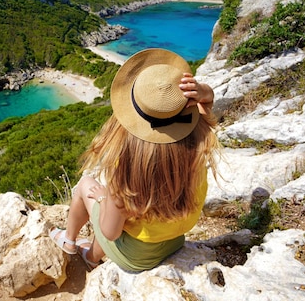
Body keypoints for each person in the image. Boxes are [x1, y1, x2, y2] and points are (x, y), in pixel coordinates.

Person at [50, 48, 220, 272]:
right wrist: (203, 91)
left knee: (86, 187)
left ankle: (69, 240)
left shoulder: (129, 171)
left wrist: (104, 200)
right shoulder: (199, 143)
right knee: (118, 213)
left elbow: (111, 232)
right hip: (174, 240)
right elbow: (207, 105)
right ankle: (91, 257)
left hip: (137, 257)